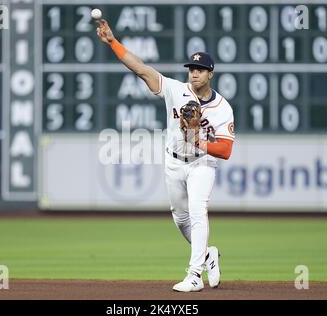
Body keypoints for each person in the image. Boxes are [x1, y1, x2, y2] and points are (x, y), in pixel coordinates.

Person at [95, 19, 235, 292]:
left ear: (211, 74)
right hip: (173, 161)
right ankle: (208, 255)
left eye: (200, 70)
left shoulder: (222, 108)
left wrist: (198, 143)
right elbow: (140, 69)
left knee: (198, 212)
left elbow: (226, 150)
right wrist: (113, 41)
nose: (194, 73)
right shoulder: (174, 89)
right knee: (181, 219)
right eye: (192, 68)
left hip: (201, 164)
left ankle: (195, 275)